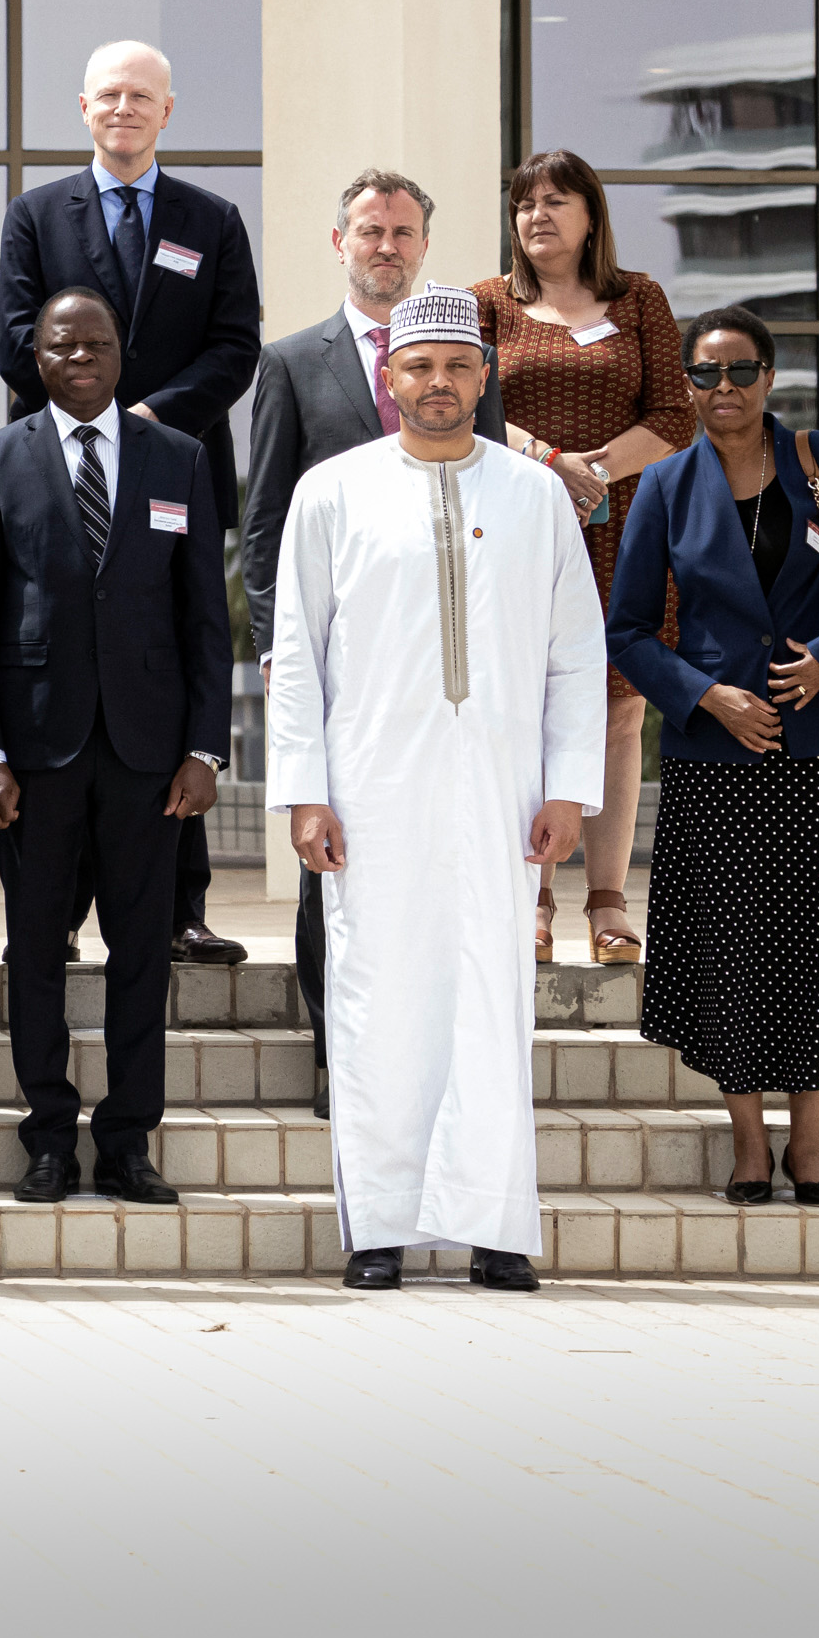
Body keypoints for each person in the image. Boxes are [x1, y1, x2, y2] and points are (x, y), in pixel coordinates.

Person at [265, 288, 605, 1294]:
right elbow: (296, 657)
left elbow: (574, 655)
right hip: (370, 791)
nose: (439, 383)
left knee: (491, 998)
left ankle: (494, 1224)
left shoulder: (533, 495)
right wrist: (303, 791)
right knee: (378, 999)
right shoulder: (330, 492)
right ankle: (378, 1225)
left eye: (457, 365)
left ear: (484, 374)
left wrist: (568, 788)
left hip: (501, 794)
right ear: (389, 378)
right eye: (419, 367)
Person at [608, 306, 819, 1207]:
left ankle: (811, 1144)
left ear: (771, 378)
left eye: (741, 372)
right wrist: (706, 695)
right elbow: (628, 630)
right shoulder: (667, 485)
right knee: (733, 950)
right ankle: (750, 1144)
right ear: (685, 385)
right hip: (717, 756)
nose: (725, 391)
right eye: (707, 375)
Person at [0, 38, 262, 970]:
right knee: (72, 670)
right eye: (108, 95)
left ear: (168, 111)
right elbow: (16, 338)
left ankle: (180, 906)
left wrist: (142, 419)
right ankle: (58, 909)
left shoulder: (211, 218)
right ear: (82, 107)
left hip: (172, 475)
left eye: (141, 96)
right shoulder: (34, 215)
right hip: (64, 480)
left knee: (172, 667)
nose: (123, 109)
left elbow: (236, 348)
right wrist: (91, 408)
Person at [0, 289, 231, 1209]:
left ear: (123, 354)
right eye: (62, 345)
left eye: (98, 343)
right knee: (35, 950)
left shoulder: (180, 459)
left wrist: (207, 748)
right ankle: (47, 1137)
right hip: (35, 756)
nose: (81, 356)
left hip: (152, 758)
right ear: (37, 359)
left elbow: (205, 617)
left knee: (141, 953)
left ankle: (127, 1141)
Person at [241, 168, 499, 1115]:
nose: (384, 245)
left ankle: (446, 1055)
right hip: (345, 665)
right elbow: (263, 519)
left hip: (454, 671)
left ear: (424, 246)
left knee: (446, 863)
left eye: (401, 232)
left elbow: (491, 493)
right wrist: (275, 645)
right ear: (339, 243)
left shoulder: (470, 361)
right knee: (334, 860)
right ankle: (334, 1054)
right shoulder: (292, 361)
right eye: (368, 230)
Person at [479, 149, 692, 963]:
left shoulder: (640, 298)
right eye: (525, 203)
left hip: (624, 524)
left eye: (556, 201)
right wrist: (553, 465)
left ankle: (607, 902)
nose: (537, 215)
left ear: (591, 216)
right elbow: (470, 403)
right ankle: (530, 893)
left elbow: (675, 414)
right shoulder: (487, 302)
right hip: (519, 524)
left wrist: (595, 473)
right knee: (524, 708)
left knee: (618, 709)